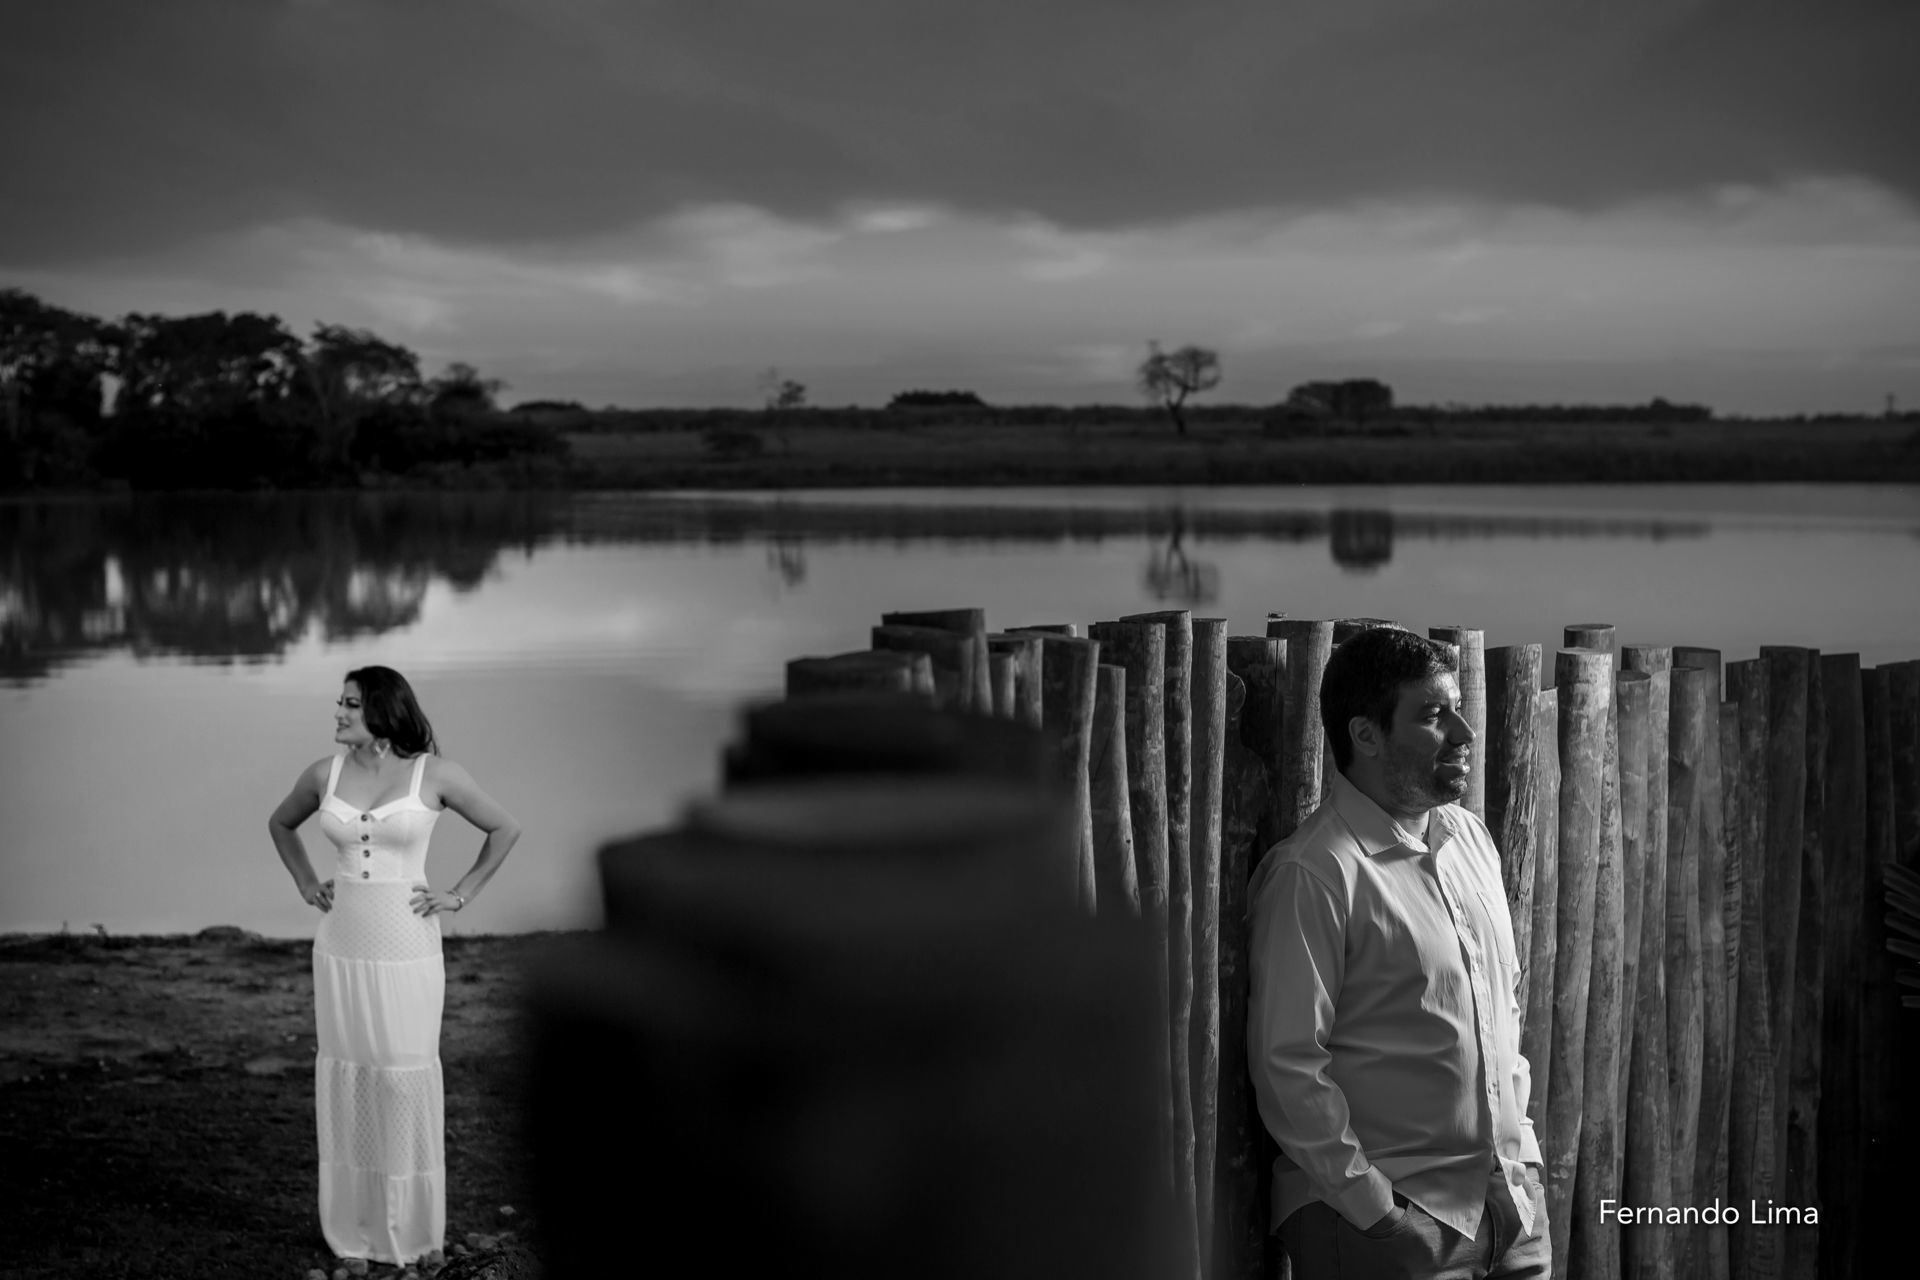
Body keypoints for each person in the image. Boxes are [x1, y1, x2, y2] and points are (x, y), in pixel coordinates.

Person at [1247, 627, 1547, 1280]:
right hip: (1392, 1225)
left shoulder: (1470, 839)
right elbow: (1289, 1064)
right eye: (1436, 716)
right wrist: (1375, 1211)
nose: (1465, 734)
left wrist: (1523, 1163)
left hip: (1510, 1211)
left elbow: (1503, 1008)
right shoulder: (1315, 872)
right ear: (1366, 734)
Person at [267, 665, 522, 1266]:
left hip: (407, 948)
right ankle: (353, 1230)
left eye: (350, 704)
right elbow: (280, 824)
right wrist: (307, 881)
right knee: (350, 1074)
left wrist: (461, 893)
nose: (338, 712)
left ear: (382, 711)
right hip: (341, 948)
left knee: (402, 1076)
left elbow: (505, 828)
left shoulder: (435, 774)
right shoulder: (321, 774)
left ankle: (410, 1232)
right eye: (340, 702)